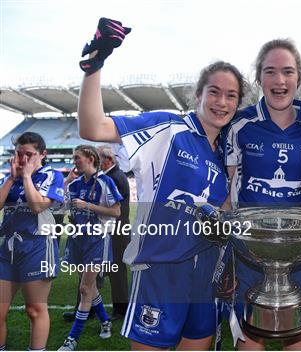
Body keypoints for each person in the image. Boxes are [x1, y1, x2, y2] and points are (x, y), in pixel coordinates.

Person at [76, 17, 245, 350]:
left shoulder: (226, 152)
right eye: (214, 92)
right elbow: (92, 127)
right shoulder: (167, 128)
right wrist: (95, 64)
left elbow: (223, 215)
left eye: (231, 96)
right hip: (160, 271)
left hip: (206, 277)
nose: (221, 102)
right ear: (198, 94)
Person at [224, 38, 301, 350]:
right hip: (248, 252)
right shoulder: (239, 125)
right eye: (270, 72)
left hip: (300, 253)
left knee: (297, 343)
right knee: (248, 344)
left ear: (299, 77)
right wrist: (222, 243)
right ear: (259, 77)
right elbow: (227, 190)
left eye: (287, 71)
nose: (279, 80)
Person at [0, 132, 64, 351]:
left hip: (36, 247)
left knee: (34, 309)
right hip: (8, 248)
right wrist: (11, 178)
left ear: (42, 155)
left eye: (29, 154)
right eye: (19, 154)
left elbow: (38, 206)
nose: (23, 159)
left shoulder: (51, 175)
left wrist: (26, 177)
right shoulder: (8, 177)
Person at [58, 145, 123, 351]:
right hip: (78, 240)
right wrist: (66, 183)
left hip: (97, 240)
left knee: (85, 288)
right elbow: (59, 207)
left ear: (90, 159)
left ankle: (72, 338)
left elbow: (116, 211)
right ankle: (105, 321)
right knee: (90, 287)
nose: (74, 161)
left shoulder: (105, 182)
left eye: (77, 158)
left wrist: (88, 206)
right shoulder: (75, 183)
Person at [97, 144, 131, 320]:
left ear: (108, 160)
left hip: (116, 230)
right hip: (115, 229)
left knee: (116, 270)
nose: (95, 161)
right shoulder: (113, 175)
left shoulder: (115, 177)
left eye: (98, 158)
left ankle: (121, 309)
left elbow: (114, 209)